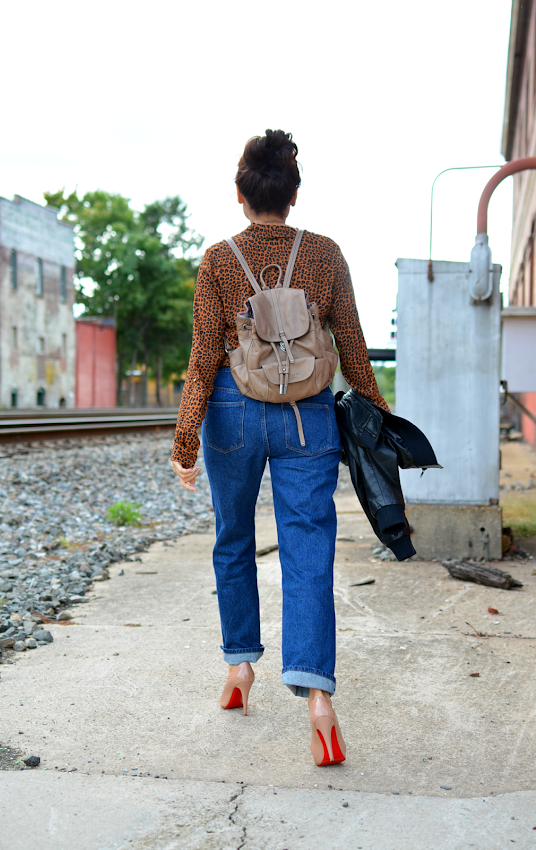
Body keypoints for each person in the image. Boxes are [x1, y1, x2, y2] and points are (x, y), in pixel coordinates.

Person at [171, 129, 388, 766]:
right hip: (307, 417)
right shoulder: (325, 254)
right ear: (294, 195)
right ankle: (319, 700)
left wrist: (186, 441)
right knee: (308, 548)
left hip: (233, 414)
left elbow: (204, 358)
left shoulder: (217, 260)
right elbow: (353, 344)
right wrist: (378, 417)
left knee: (233, 540)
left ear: (241, 195)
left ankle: (240, 669)